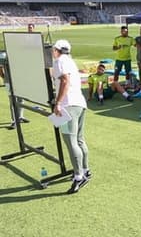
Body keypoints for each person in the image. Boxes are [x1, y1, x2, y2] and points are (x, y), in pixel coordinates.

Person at [51, 40, 91, 194]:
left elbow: (65, 81)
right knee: (79, 139)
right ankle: (85, 170)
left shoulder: (60, 61)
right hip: (79, 103)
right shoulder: (69, 61)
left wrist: (58, 103)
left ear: (57, 50)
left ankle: (79, 176)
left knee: (70, 141)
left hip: (68, 106)